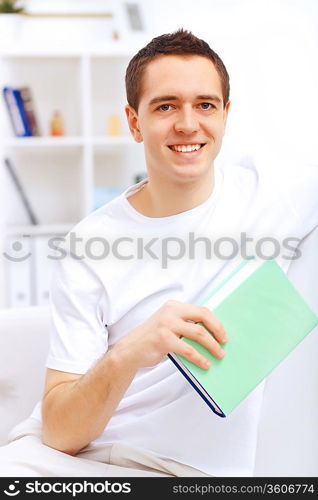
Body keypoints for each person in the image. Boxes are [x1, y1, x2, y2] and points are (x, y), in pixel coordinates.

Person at [1, 29, 317, 478]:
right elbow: (60, 433)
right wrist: (130, 352)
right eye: (165, 106)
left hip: (180, 471)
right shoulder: (90, 244)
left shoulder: (274, 193)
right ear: (134, 122)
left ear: (225, 115)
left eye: (205, 104)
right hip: (65, 459)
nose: (188, 124)